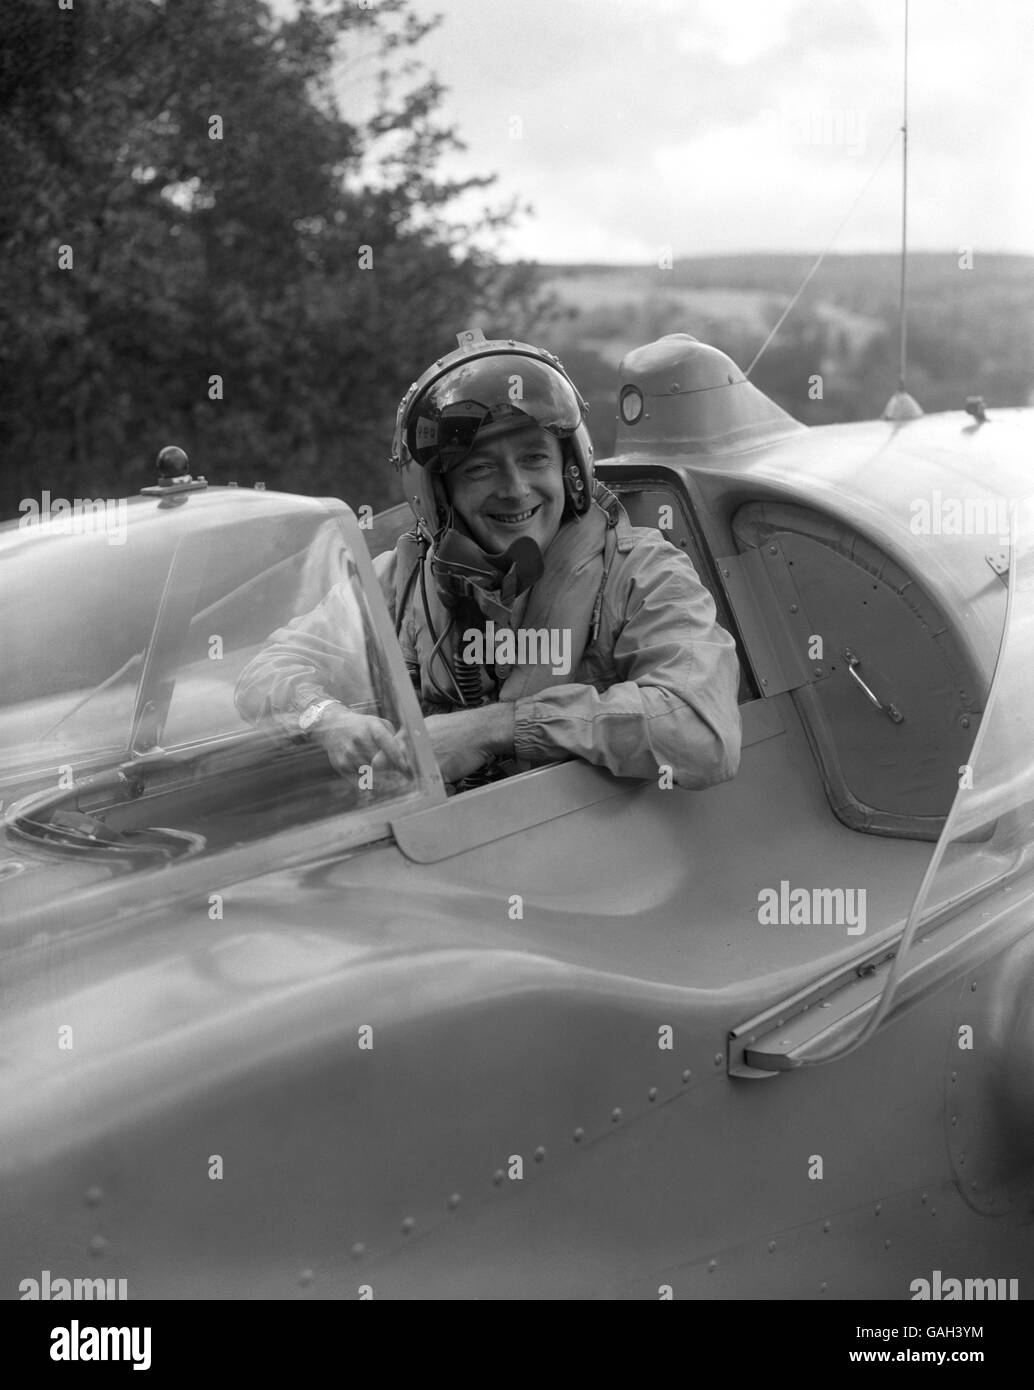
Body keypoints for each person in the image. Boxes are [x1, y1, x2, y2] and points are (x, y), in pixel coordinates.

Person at [235, 329, 741, 790]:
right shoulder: (405, 578)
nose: (515, 489)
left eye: (534, 458)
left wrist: (496, 728)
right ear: (439, 495)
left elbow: (702, 735)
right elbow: (265, 672)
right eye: (479, 469)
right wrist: (326, 718)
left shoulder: (642, 573)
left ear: (571, 468)